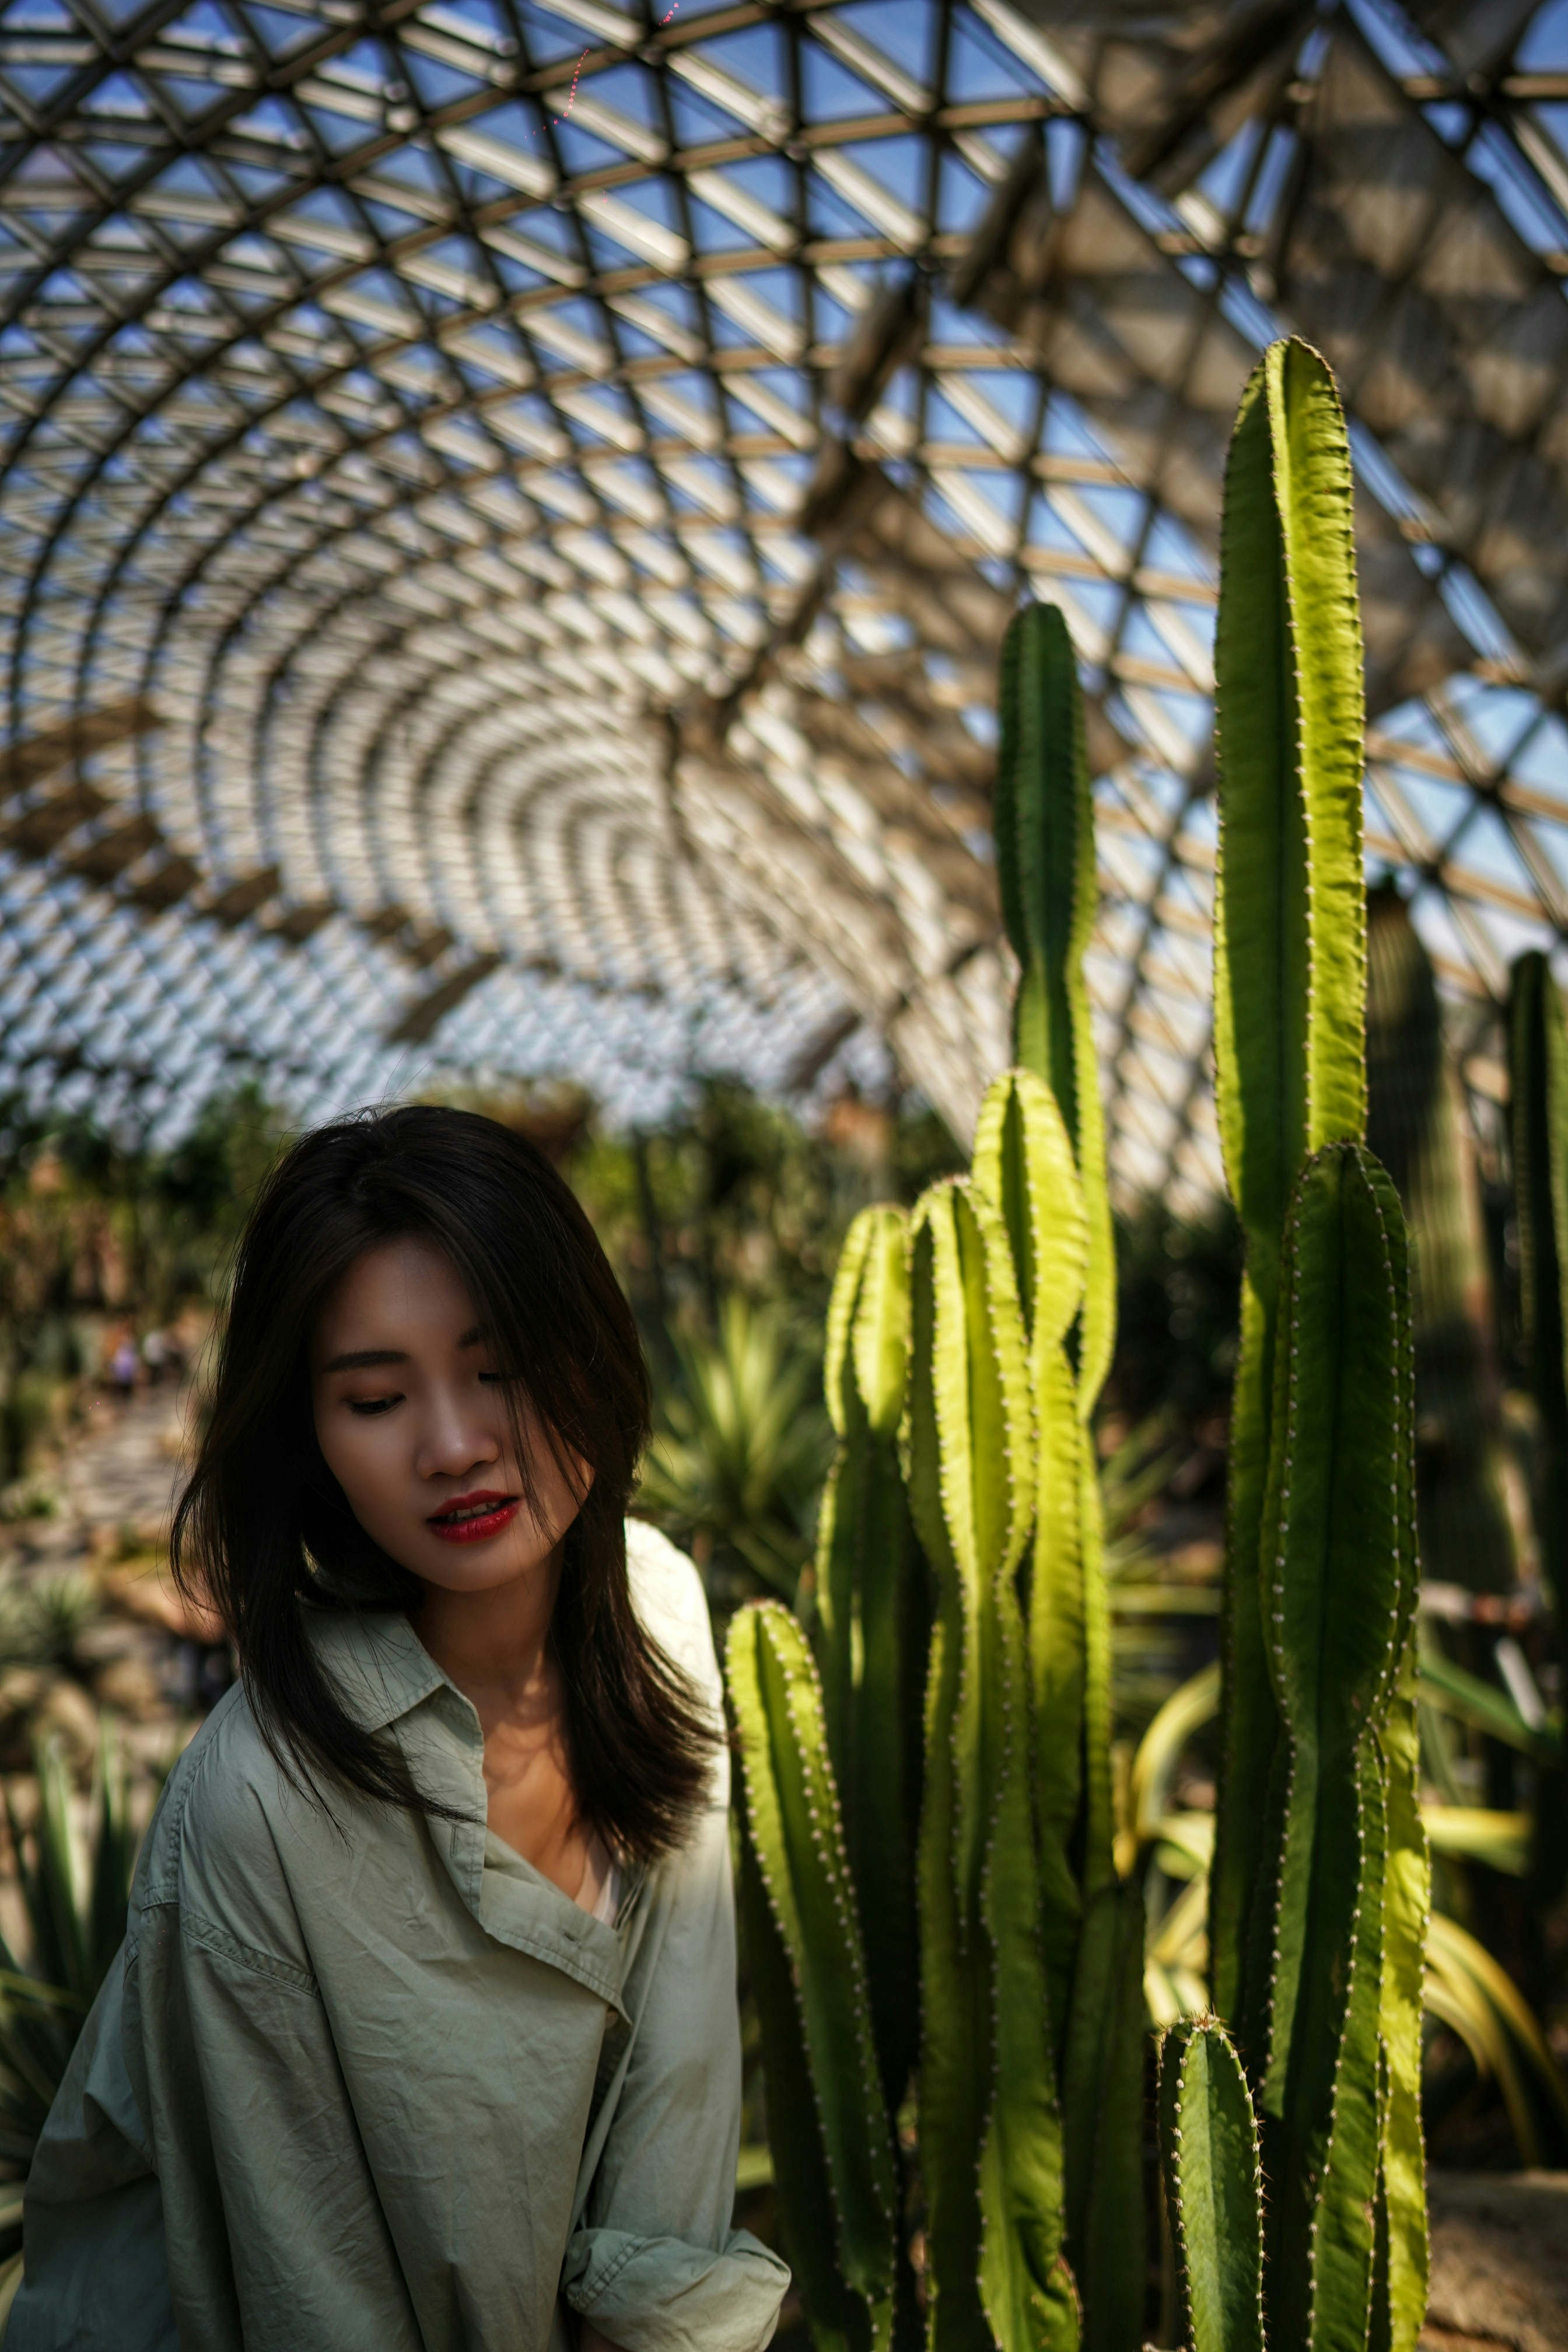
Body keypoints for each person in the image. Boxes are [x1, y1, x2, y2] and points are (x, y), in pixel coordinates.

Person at [9, 1106, 789, 2352]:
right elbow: (306, 2300)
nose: (456, 1445)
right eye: (377, 1398)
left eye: (503, 1367)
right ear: (312, 1439)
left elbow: (678, 2118)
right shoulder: (255, 1809)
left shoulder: (665, 1612)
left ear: (587, 1346)